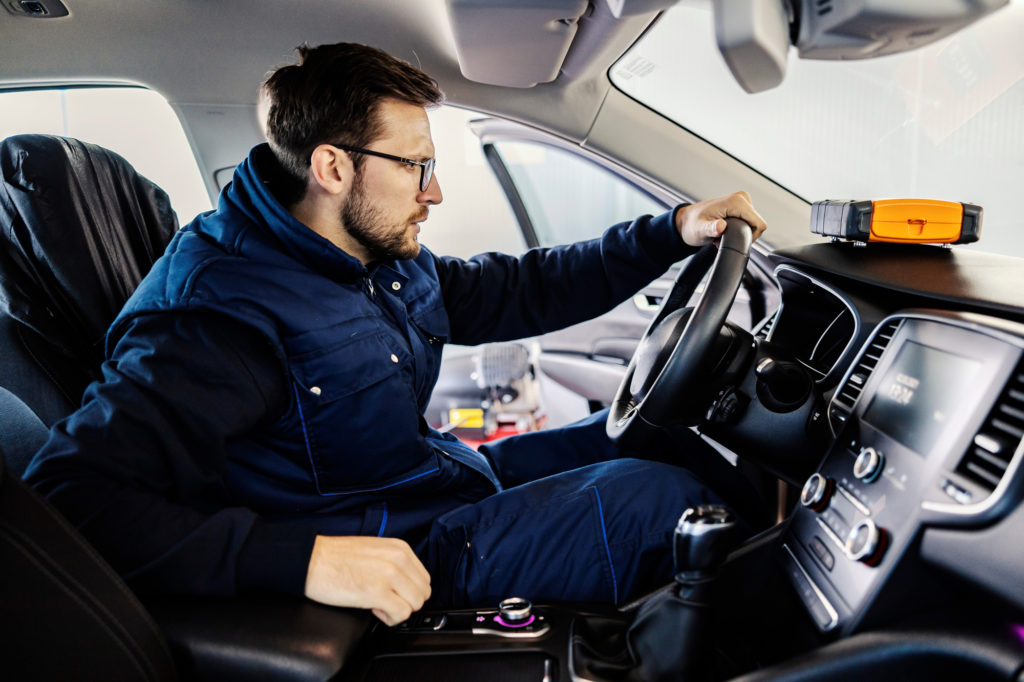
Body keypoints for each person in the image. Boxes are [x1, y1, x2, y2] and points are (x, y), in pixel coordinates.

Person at [25, 42, 767, 627]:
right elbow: (69, 496)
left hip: (438, 485)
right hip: (398, 552)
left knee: (662, 438)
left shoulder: (368, 253)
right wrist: (301, 560)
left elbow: (514, 289)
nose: (434, 191)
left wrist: (670, 232)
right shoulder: (217, 315)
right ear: (332, 167)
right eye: (417, 166)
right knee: (659, 501)